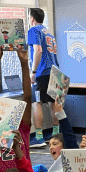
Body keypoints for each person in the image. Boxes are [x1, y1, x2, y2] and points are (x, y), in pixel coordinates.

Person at [27, 8, 70, 148]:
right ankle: (56, 134)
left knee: (37, 102)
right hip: (54, 71)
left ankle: (38, 137)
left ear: (32, 19)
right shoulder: (49, 33)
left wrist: (33, 72)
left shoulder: (33, 30)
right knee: (54, 103)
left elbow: (38, 50)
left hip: (42, 72)